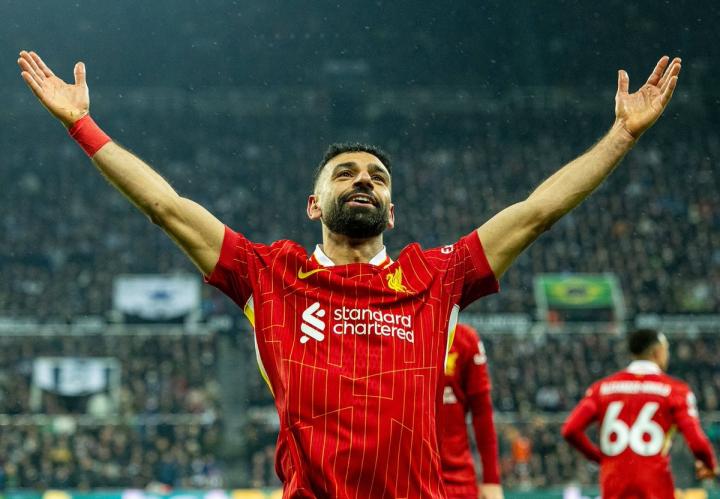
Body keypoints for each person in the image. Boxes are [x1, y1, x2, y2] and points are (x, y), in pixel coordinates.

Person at [18, 49, 681, 497]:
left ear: (392, 211)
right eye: (345, 173)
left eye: (377, 177)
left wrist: (621, 136)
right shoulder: (269, 275)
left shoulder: (436, 275)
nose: (364, 179)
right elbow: (166, 206)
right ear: (314, 204)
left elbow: (536, 212)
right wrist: (82, 126)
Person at [562, 329, 718, 498]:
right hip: (655, 488)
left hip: (615, 487)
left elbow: (570, 430)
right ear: (657, 352)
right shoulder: (675, 391)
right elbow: (697, 442)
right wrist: (709, 465)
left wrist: (600, 458)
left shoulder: (602, 389)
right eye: (666, 349)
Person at [439, 323, 502, 499]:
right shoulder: (396, 331)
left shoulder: (465, 339)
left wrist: (491, 480)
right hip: (404, 475)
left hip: (456, 481)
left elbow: (482, 414)